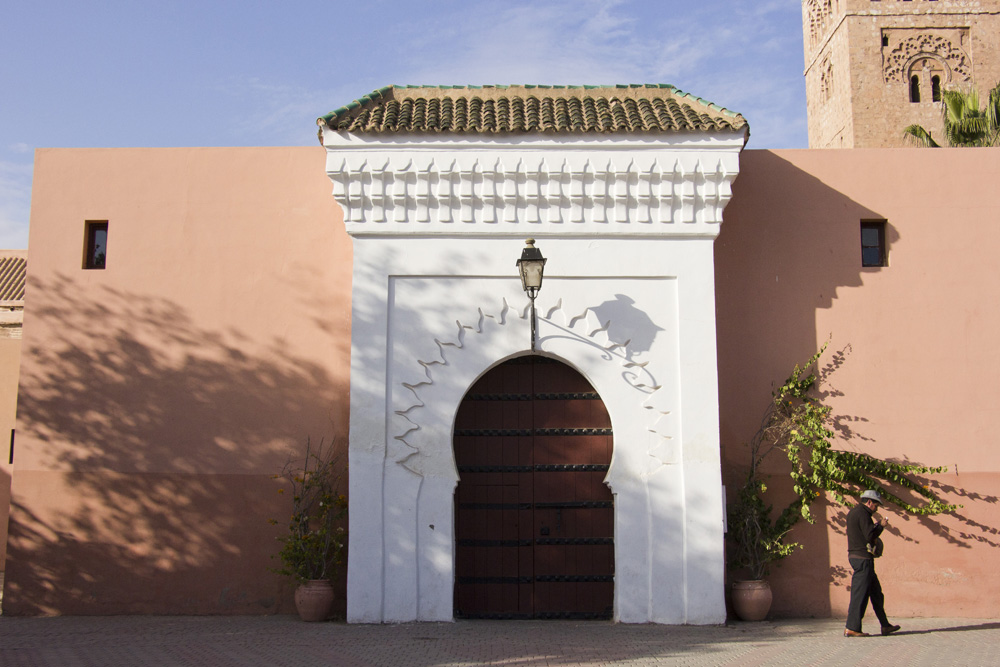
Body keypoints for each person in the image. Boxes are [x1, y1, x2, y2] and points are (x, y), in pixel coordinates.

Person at [844, 489, 901, 637]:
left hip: (858, 557)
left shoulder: (854, 512)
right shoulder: (863, 514)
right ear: (869, 502)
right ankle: (852, 628)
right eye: (876, 505)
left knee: (876, 594)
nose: (877, 508)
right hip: (863, 559)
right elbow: (869, 536)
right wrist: (881, 526)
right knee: (860, 595)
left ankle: (885, 625)